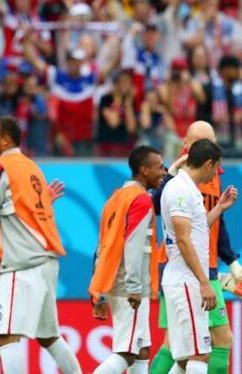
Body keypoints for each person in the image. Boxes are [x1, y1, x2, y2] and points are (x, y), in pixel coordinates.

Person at [0, 116, 81, 374]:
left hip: (21, 263)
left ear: (5, 140)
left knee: (6, 336)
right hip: (47, 259)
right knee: (49, 337)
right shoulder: (31, 166)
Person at [150, 121, 242, 374]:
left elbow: (202, 226)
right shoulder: (178, 183)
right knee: (204, 349)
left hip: (199, 269)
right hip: (188, 274)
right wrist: (203, 281)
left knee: (181, 353)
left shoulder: (200, 181)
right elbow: (181, 236)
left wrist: (231, 261)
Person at [89, 146, 166, 374]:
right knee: (127, 352)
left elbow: (102, 246)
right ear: (143, 170)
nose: (163, 172)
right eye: (159, 167)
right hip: (130, 285)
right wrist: (134, 286)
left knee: (142, 348)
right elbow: (133, 245)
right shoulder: (141, 200)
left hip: (115, 278)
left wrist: (100, 292)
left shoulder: (115, 198)